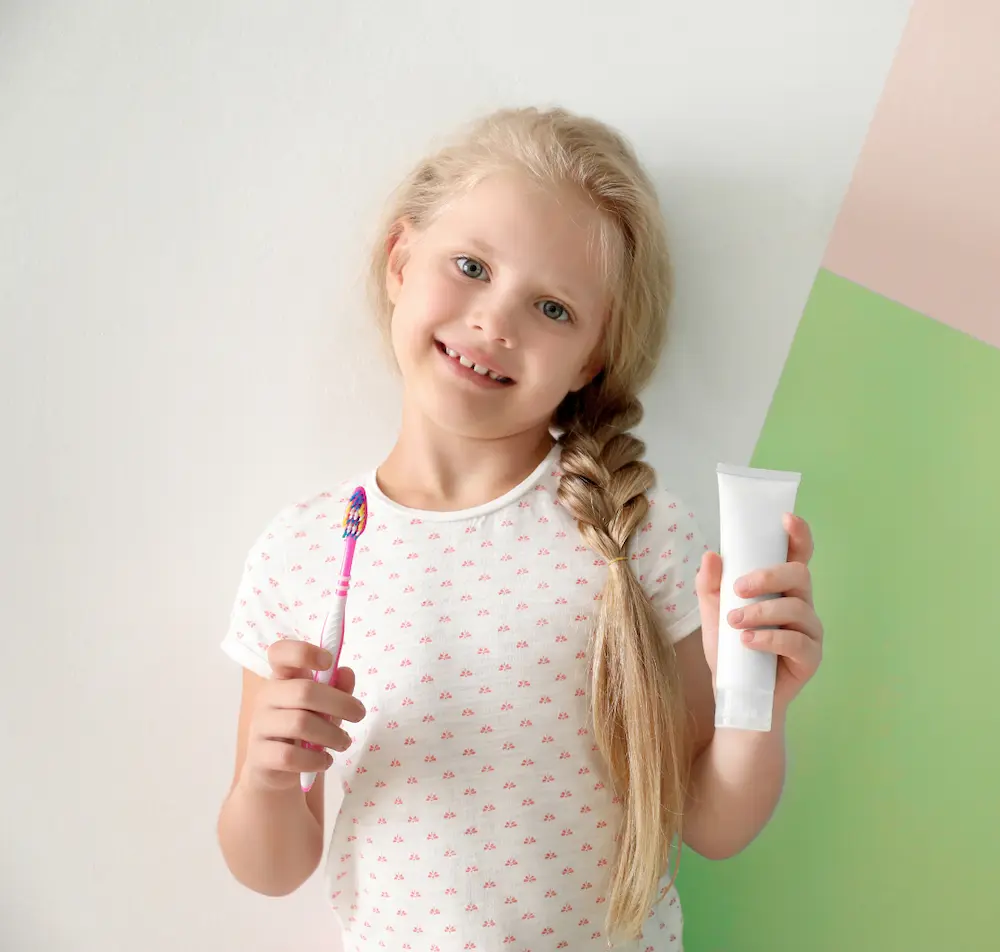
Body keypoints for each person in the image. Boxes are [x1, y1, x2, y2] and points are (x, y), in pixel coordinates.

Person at [216, 106, 824, 951]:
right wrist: (267, 777)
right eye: (470, 266)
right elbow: (272, 866)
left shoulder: (641, 539)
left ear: (594, 358)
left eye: (553, 308)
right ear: (400, 260)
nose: (496, 323)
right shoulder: (304, 551)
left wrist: (762, 708)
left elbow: (712, 827)